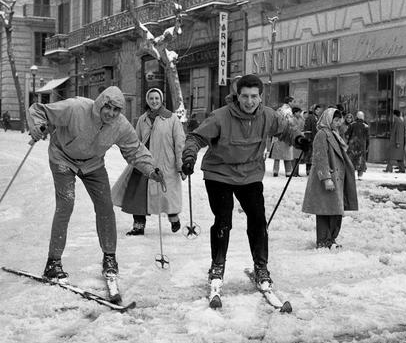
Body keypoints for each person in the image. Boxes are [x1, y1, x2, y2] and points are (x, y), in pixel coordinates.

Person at [181, 74, 308, 288]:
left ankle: (261, 267)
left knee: (258, 220)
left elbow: (286, 130)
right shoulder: (220, 116)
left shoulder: (268, 116)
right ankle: (217, 267)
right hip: (219, 173)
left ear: (260, 97)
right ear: (237, 96)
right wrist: (189, 157)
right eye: (245, 96)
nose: (249, 101)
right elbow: (196, 137)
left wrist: (298, 139)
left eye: (254, 96)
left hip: (250, 173)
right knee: (223, 220)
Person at [29, 86, 165, 282]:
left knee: (105, 206)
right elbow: (39, 110)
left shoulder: (120, 126)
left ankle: (110, 257)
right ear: (100, 104)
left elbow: (135, 150)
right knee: (66, 204)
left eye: (116, 110)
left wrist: (151, 169)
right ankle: (53, 262)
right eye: (108, 107)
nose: (111, 113)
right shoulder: (76, 109)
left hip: (93, 163)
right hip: (62, 158)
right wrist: (38, 125)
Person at [112, 87, 185, 235]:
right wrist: (134, 159)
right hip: (144, 163)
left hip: (166, 163)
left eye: (156, 98)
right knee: (138, 193)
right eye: (151, 98)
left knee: (167, 193)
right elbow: (135, 141)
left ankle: (174, 218)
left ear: (161, 100)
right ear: (147, 100)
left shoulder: (172, 119)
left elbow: (180, 143)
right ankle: (138, 225)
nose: (154, 101)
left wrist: (180, 165)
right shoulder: (142, 119)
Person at [302, 107, 359, 249]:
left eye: (340, 120)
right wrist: (326, 178)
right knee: (324, 211)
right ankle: (323, 240)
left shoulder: (334, 134)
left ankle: (330, 239)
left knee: (335, 211)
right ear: (328, 119)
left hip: (337, 179)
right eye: (336, 119)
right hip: (328, 180)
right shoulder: (322, 134)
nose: (338, 123)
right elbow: (320, 157)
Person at [269, 103, 296, 177]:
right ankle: (288, 172)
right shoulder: (291, 118)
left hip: (278, 138)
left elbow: (273, 127)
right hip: (287, 139)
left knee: (277, 157)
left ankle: (275, 171)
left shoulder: (277, 117)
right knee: (287, 158)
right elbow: (294, 129)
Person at [346, 110, 370, 178]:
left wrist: (348, 142)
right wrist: (367, 147)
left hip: (352, 146)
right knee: (361, 160)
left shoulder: (352, 124)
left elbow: (347, 135)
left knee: (352, 160)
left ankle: (351, 175)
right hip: (362, 146)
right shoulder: (366, 126)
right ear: (362, 117)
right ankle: (360, 175)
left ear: (357, 117)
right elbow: (368, 138)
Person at [302, 105, 321, 176]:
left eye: (319, 110)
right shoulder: (310, 117)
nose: (319, 111)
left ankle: (311, 170)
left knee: (313, 155)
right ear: (314, 110)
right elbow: (307, 129)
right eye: (318, 110)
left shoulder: (317, 118)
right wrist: (308, 137)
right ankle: (308, 170)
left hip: (315, 138)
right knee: (309, 154)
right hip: (310, 138)